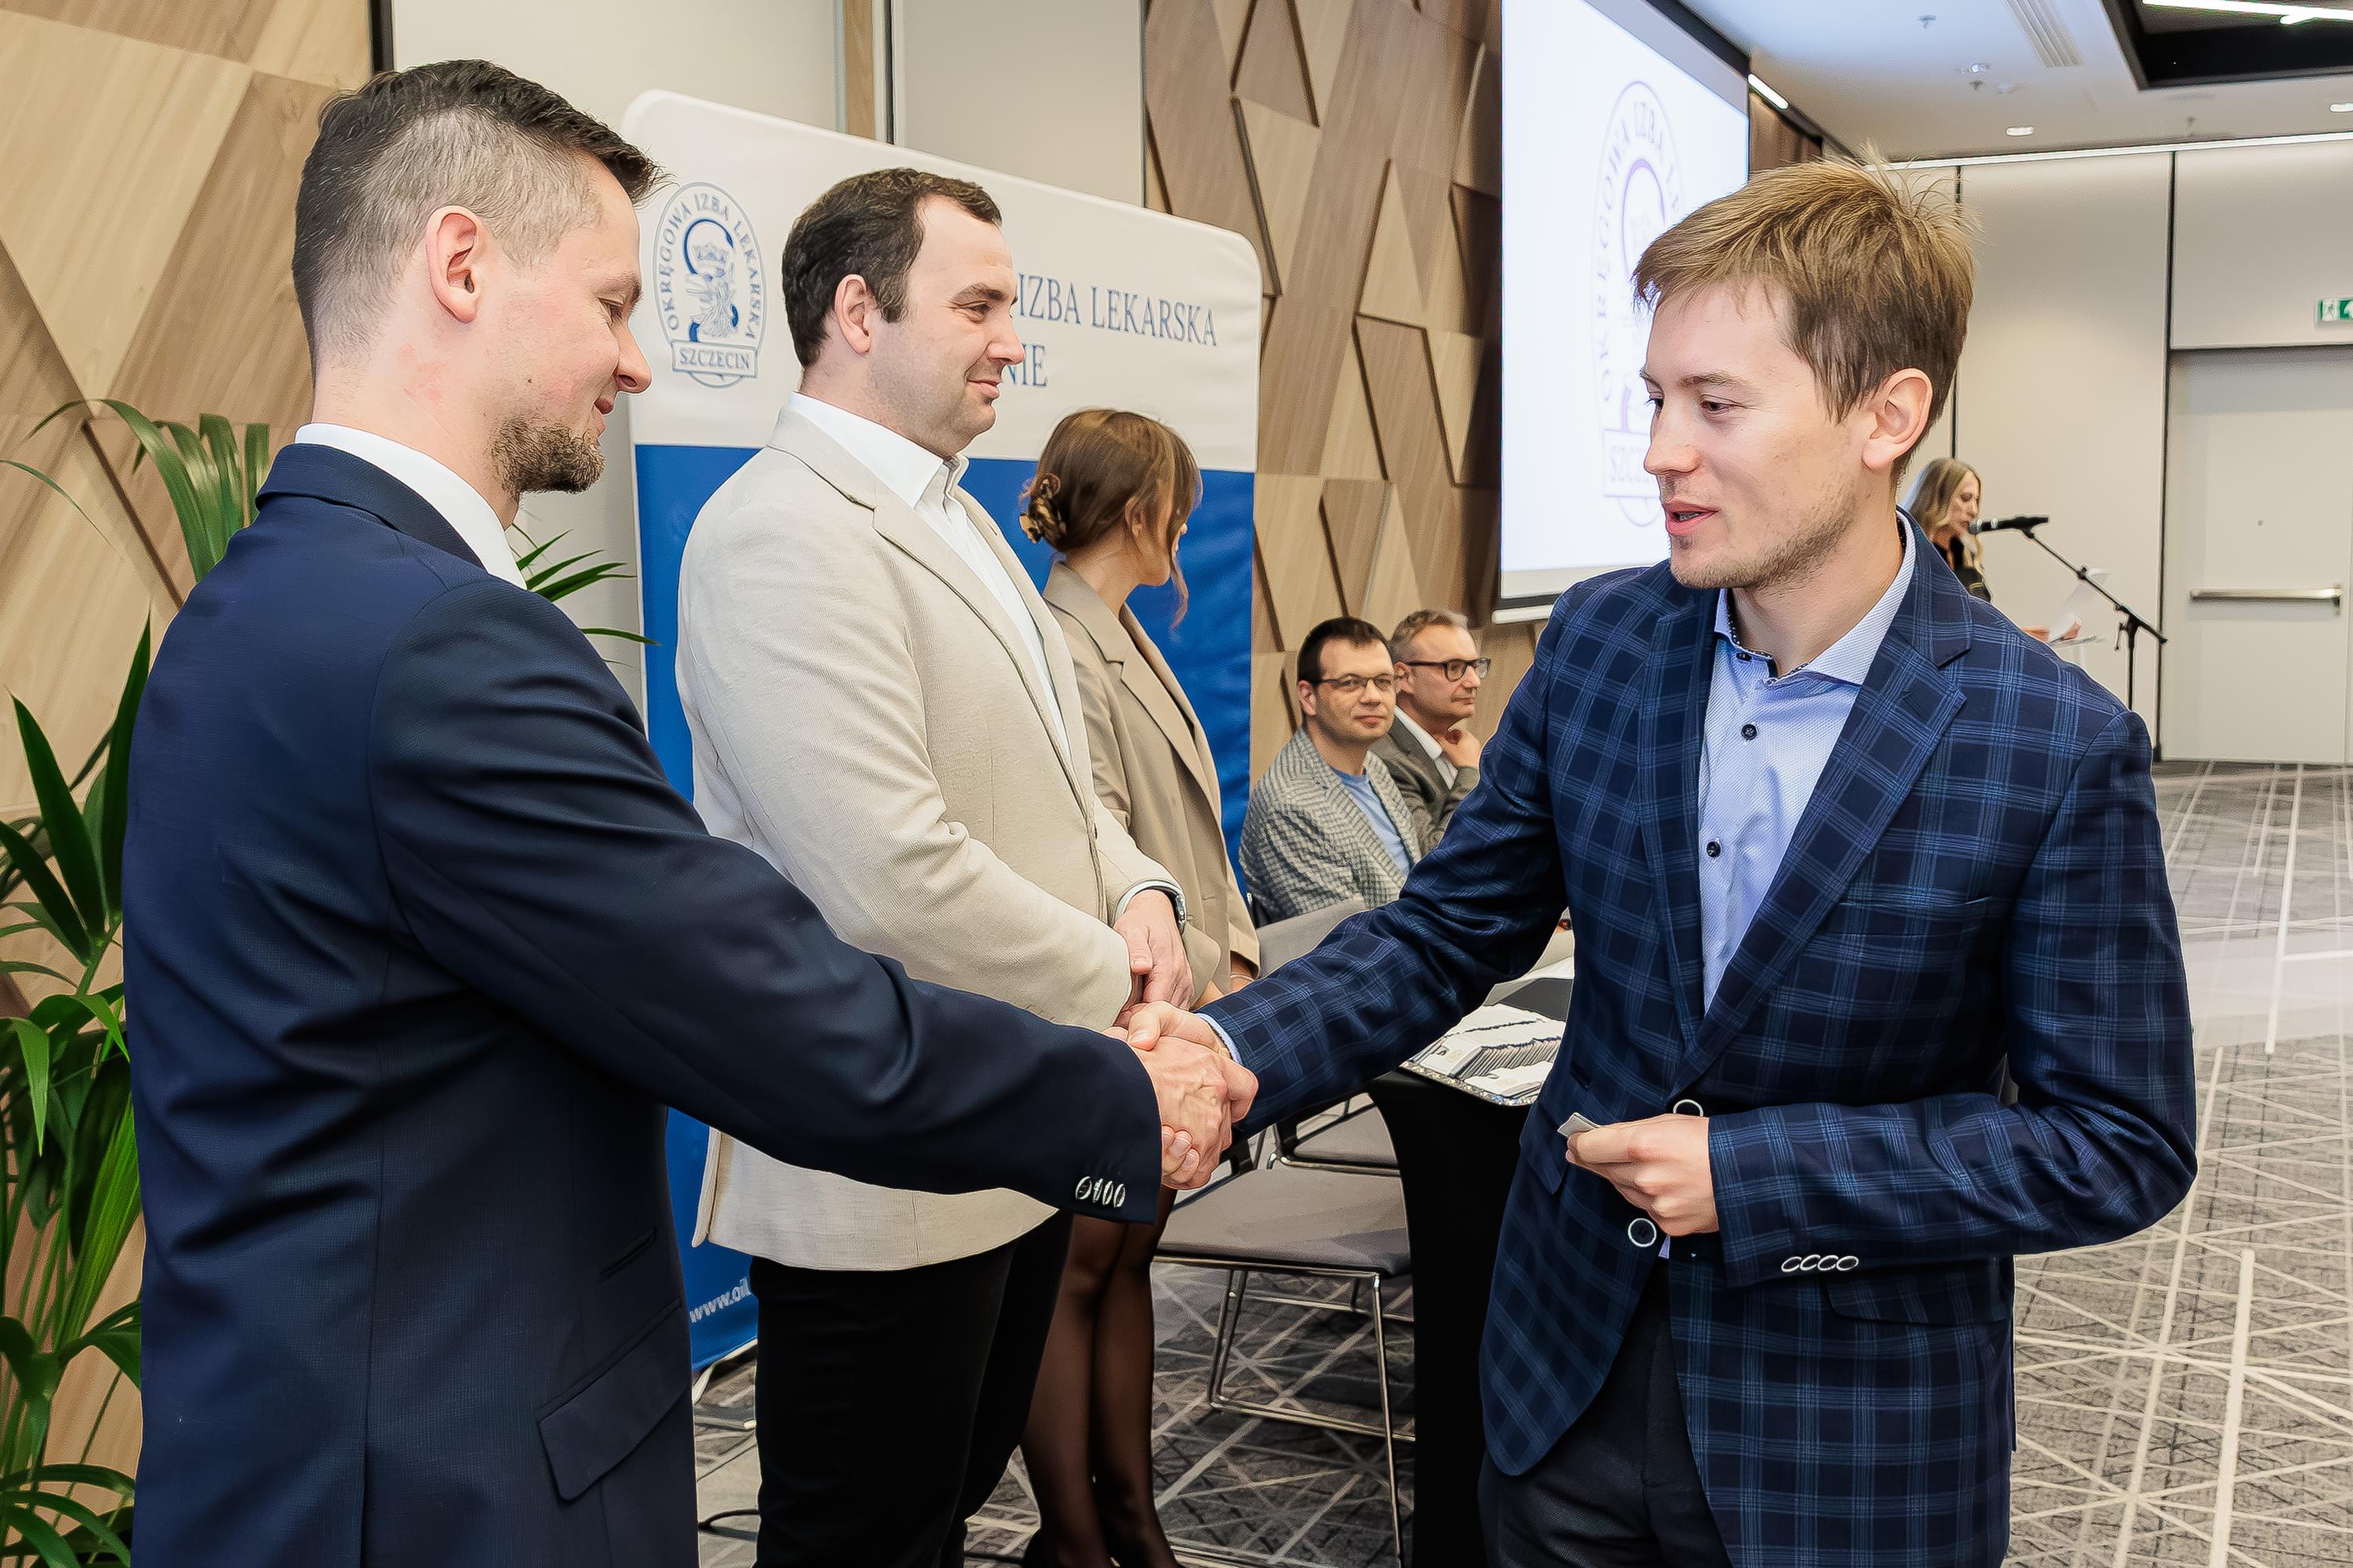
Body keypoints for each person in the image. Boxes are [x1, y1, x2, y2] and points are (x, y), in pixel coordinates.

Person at [122, 64, 1250, 1568]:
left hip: (321, 1446)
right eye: (610, 303)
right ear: (460, 266)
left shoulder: (258, 604)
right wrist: (1118, 1092)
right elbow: (760, 1000)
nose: (637, 361)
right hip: (440, 1487)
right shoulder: (439, 646)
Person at [1128, 157, 2196, 1568]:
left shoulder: (2050, 742)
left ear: (1886, 416)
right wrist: (1230, 1051)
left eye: (1715, 405)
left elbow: (2114, 1141)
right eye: (1653, 400)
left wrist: (1758, 1174)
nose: (1658, 453)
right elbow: (1444, 931)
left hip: (1846, 1435)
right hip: (1559, 1371)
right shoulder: (1601, 642)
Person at [673, 172, 1214, 1568]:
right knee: (861, 1539)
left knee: (949, 1497)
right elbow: (888, 872)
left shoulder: (961, 519)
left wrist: (1137, 887)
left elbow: (1058, 779)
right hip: (881, 1167)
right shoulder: (776, 531)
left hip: (1004, 1133)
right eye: (977, 306)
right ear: (859, 312)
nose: (1010, 343)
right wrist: (1119, 988)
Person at [1021, 407, 1259, 1568]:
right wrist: (1190, 973)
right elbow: (1094, 843)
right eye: (1180, 506)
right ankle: (1078, 1538)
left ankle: (1131, 1520)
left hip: (1167, 999)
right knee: (1078, 1271)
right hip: (1113, 1007)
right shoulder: (1062, 639)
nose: (1188, 527)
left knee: (1122, 1264)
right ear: (1139, 512)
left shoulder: (1111, 627)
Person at [1240, 615, 1434, 922]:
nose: (1373, 697)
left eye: (1384, 682)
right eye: (1350, 683)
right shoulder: (1290, 806)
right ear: (1308, 697)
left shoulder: (1373, 765)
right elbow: (1350, 937)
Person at [1376, 608, 1489, 836]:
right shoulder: (1385, 761)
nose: (1474, 682)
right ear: (1404, 677)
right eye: (1454, 668)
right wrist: (1470, 773)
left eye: (1475, 666)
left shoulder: (1456, 747)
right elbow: (1433, 853)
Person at [1908, 455, 1989, 599]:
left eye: (1976, 500)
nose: (1974, 511)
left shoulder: (1967, 557)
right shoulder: (1909, 556)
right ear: (1937, 498)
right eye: (1965, 498)